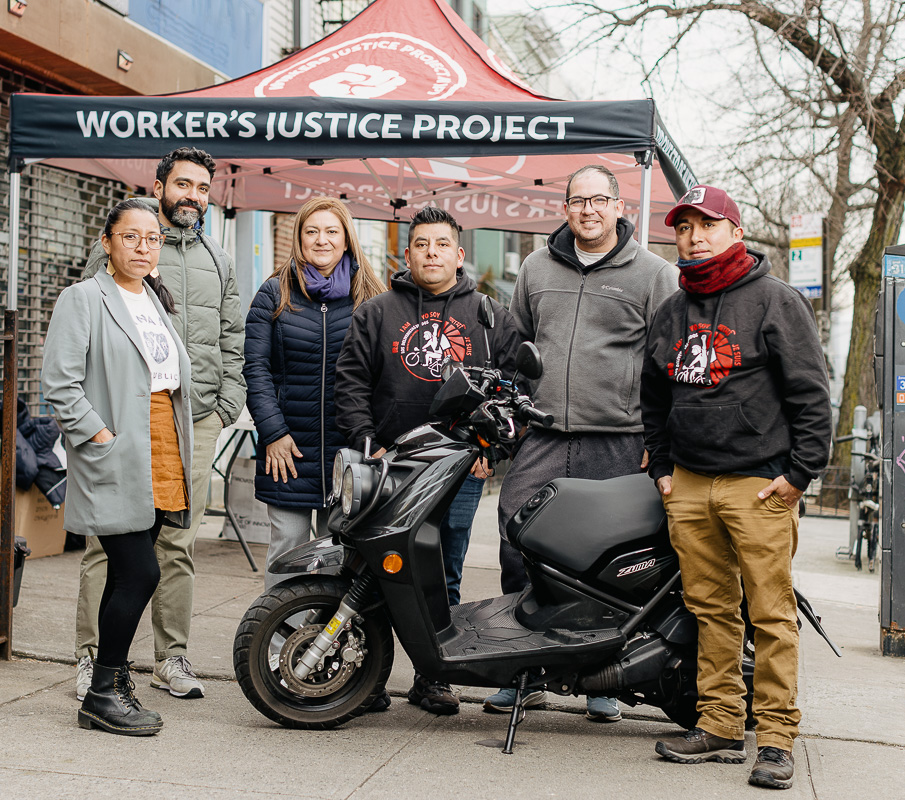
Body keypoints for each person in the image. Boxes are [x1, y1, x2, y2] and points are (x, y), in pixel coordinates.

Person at [642, 185, 831, 790]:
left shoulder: (776, 301)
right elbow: (653, 395)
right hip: (691, 485)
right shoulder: (671, 311)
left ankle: (775, 739)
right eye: (685, 227)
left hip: (759, 485)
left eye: (707, 225)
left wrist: (798, 476)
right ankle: (720, 723)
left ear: (736, 231)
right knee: (709, 611)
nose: (694, 237)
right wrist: (663, 469)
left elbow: (810, 395)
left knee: (771, 615)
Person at [487, 164, 678, 722]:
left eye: (599, 200)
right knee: (517, 537)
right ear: (565, 207)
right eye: (577, 200)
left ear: (620, 206)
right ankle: (522, 671)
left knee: (604, 561)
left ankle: (601, 678)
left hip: (618, 441)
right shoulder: (535, 266)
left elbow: (668, 363)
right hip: (544, 434)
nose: (588, 210)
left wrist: (656, 438)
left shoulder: (652, 274)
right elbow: (517, 345)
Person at [74, 147, 245, 703]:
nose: (193, 195)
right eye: (184, 184)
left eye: (202, 187)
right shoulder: (126, 242)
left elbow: (232, 340)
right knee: (111, 542)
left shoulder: (219, 260)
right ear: (160, 184)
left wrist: (223, 407)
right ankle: (94, 659)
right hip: (126, 421)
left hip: (192, 422)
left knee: (178, 543)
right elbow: (88, 334)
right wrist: (99, 426)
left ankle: (170, 657)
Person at [335, 205, 521, 716]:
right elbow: (350, 382)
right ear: (409, 252)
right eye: (421, 244)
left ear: (459, 256)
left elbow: (515, 389)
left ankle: (432, 676)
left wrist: (493, 450)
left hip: (459, 470)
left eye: (441, 245)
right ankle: (365, 676)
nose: (431, 253)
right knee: (372, 571)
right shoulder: (376, 313)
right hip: (389, 467)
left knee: (444, 574)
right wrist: (366, 438)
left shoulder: (489, 316)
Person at [42, 198, 193, 736]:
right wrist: (99, 434)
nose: (143, 247)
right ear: (107, 242)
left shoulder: (156, 298)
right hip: (118, 442)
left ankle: (111, 682)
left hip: (162, 440)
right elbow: (60, 384)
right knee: (139, 570)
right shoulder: (83, 298)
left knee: (131, 569)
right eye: (131, 237)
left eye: (152, 238)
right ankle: (103, 690)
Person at [244, 197, 386, 586]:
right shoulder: (274, 293)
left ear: (346, 240)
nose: (321, 240)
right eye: (312, 231)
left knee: (336, 554)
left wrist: (371, 441)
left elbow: (382, 377)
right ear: (299, 238)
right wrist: (272, 433)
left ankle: (320, 643)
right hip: (288, 450)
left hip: (348, 452)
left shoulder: (371, 296)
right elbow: (255, 369)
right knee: (288, 550)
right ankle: (275, 639)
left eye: (331, 231)